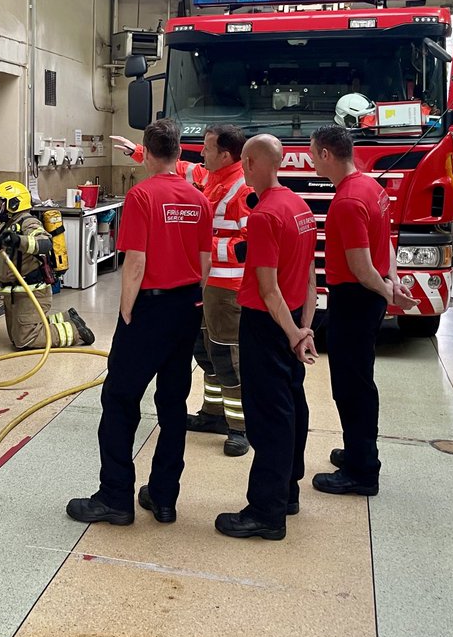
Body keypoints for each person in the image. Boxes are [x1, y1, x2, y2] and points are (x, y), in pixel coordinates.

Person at [68, 119, 213, 526]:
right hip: (187, 307)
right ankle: (164, 498)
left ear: (146, 153)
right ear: (180, 153)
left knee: (119, 400)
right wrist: (190, 300)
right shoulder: (198, 199)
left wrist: (128, 311)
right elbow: (205, 262)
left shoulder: (142, 196)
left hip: (148, 307)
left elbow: (136, 262)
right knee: (172, 404)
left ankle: (115, 497)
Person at [112, 125, 254, 457]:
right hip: (202, 286)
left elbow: (249, 244)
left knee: (227, 357)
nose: (200, 153)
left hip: (226, 287)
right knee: (205, 354)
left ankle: (239, 428)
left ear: (225, 155)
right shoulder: (213, 177)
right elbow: (179, 167)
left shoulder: (241, 188)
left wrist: (194, 244)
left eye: (206, 149)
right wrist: (137, 150)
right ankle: (213, 413)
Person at [215, 135, 317, 541]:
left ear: (253, 163)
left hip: (266, 323)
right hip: (292, 318)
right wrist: (304, 328)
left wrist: (292, 335)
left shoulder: (264, 216)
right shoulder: (300, 207)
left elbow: (268, 288)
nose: (241, 166)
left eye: (243, 160)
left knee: (268, 419)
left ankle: (265, 512)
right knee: (292, 405)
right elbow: (309, 276)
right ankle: (287, 490)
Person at [308, 125, 415, 496]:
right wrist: (394, 280)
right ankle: (357, 452)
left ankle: (362, 471)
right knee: (358, 382)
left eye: (311, 152)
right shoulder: (371, 187)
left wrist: (389, 291)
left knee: (351, 388)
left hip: (354, 299)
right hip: (365, 299)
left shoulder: (348, 202)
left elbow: (360, 266)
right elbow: (384, 243)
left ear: (325, 155)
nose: (308, 159)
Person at [0, 180, 94, 350]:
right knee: (16, 337)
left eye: (1, 203)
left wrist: (18, 240)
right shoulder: (10, 224)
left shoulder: (28, 223)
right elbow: (8, 256)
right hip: (16, 293)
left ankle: (74, 330)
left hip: (31, 292)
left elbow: (44, 243)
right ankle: (66, 317)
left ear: (14, 204)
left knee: (25, 340)